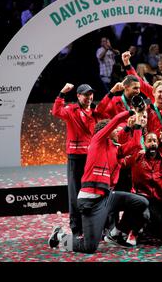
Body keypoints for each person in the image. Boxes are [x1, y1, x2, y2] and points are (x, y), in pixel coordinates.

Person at [48, 110, 150, 253]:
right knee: (89, 247)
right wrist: (132, 112)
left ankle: (116, 233)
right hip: (90, 201)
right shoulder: (97, 140)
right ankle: (60, 236)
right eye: (115, 130)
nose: (118, 132)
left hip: (107, 197)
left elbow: (134, 144)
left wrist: (138, 125)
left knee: (142, 202)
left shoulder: (115, 149)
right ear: (106, 131)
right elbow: (114, 121)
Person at [51, 83, 109, 236]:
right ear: (78, 96)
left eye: (91, 94)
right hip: (76, 157)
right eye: (85, 94)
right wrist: (62, 93)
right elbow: (56, 111)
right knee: (75, 192)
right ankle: (77, 229)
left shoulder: (96, 112)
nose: (89, 97)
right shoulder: (71, 110)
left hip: (93, 156)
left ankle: (96, 226)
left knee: (94, 191)